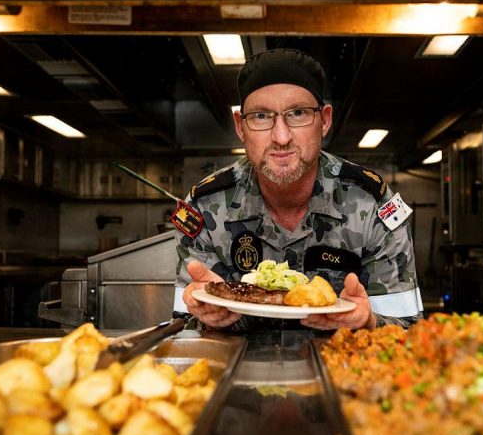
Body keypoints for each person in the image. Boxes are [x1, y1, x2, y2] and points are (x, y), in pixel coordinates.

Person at [172, 48, 422, 331]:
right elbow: (182, 328)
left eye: (298, 113)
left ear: (324, 120)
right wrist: (206, 318)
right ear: (241, 127)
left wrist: (368, 321)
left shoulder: (372, 204)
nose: (281, 137)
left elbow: (410, 328)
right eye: (261, 116)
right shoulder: (204, 207)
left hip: (341, 367)